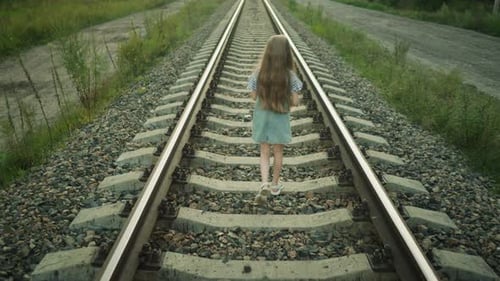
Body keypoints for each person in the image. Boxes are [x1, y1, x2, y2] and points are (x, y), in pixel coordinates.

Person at [246, 35, 303, 205]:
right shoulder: (290, 76)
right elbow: (294, 101)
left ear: (268, 53)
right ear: (286, 54)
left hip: (262, 117)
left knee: (264, 151)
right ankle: (275, 185)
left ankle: (264, 182)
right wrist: (288, 101)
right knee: (278, 152)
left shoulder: (259, 73)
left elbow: (253, 95)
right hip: (280, 118)